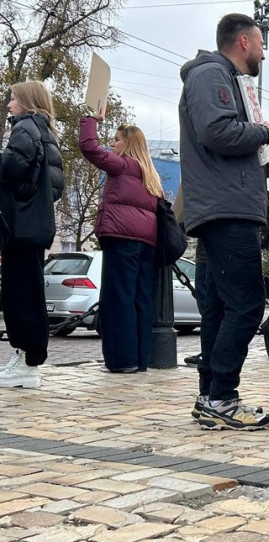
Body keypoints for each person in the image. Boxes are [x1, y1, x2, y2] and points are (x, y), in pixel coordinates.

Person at [179, 13, 269, 430]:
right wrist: (263, 133)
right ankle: (222, 396)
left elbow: (221, 138)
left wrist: (264, 165)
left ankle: (211, 397)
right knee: (246, 303)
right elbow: (217, 131)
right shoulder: (211, 75)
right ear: (242, 41)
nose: (262, 51)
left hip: (224, 204)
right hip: (226, 209)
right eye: (260, 43)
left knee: (220, 308)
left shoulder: (218, 77)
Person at [78, 112, 160, 373]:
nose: (111, 144)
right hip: (147, 242)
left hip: (121, 238)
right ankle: (139, 359)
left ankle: (121, 360)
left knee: (118, 299)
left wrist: (90, 119)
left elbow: (88, 147)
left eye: (115, 140)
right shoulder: (150, 175)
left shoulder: (123, 166)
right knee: (140, 300)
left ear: (127, 144)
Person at [0, 81, 63, 389]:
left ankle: (27, 362)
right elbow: (54, 185)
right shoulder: (47, 132)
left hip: (18, 226)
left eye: (13, 99)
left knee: (19, 294)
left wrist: (19, 194)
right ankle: (27, 359)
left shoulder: (24, 128)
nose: (9, 104)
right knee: (30, 291)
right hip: (34, 226)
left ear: (25, 102)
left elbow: (10, 167)